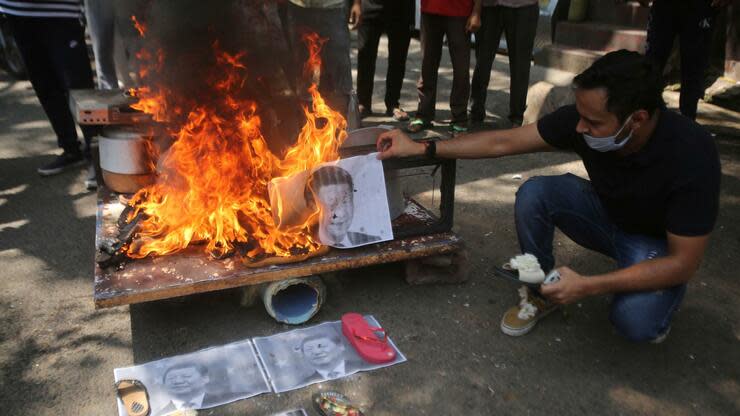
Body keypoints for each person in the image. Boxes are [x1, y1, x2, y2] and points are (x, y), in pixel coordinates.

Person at [377, 50, 720, 343]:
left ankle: (655, 296)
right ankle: (543, 291)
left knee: (636, 322)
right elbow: (503, 142)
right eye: (580, 116)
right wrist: (423, 147)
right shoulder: (582, 120)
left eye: (593, 122)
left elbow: (684, 262)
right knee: (535, 193)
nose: (581, 128)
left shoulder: (692, 154)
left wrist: (589, 285)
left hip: (653, 245)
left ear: (637, 120)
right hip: (604, 215)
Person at [0, 0, 96, 179]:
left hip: (61, 10)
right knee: (44, 84)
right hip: (16, 11)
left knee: (78, 85)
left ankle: (96, 155)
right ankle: (70, 149)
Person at [641, 0, 732, 120]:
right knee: (652, 63)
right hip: (664, 6)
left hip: (701, 7)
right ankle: (644, 117)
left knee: (694, 67)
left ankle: (688, 122)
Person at [407, 0, 482, 135]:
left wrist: (476, 11)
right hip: (430, 9)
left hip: (460, 11)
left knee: (461, 69)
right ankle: (423, 115)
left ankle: (459, 119)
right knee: (427, 65)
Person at [282, 0, 362, 116]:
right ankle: (307, 123)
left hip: (334, 7)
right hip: (297, 7)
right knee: (302, 70)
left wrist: (357, 3)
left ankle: (343, 122)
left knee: (338, 66)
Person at [470, 0, 539, 127]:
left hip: (524, 6)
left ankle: (517, 116)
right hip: (489, 6)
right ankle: (476, 110)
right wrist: (476, 10)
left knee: (520, 63)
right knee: (482, 60)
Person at [355, 0, 414, 121]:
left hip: (402, 7)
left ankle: (393, 103)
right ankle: (363, 103)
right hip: (370, 5)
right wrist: (356, 3)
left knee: (398, 56)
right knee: (365, 54)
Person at [305, 165, 381, 248]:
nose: (341, 214)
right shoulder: (305, 247)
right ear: (313, 207)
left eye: (346, 202)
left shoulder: (373, 242)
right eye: (332, 205)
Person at [153, 363, 226, 415]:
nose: (178, 381)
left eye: (186, 376)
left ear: (205, 378)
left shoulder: (225, 400)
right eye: (171, 378)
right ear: (164, 384)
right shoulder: (162, 414)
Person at [297, 329, 362, 385]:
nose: (317, 352)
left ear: (340, 346)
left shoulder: (363, 365)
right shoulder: (304, 384)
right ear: (303, 355)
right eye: (309, 349)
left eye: (322, 346)